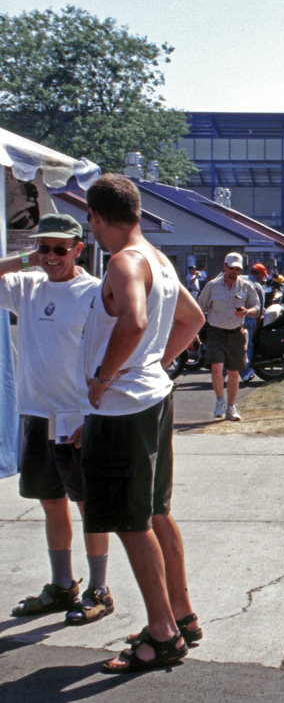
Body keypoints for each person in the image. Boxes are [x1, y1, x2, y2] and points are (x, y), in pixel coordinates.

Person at [78, 173, 206, 673]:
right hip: (151, 399)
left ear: (95, 217)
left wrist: (103, 378)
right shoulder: (159, 259)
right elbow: (192, 321)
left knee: (131, 522)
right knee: (155, 513)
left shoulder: (125, 262)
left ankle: (162, 634)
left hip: (122, 409)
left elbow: (131, 323)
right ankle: (182, 614)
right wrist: (155, 364)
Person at [4, 214, 114, 625]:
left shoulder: (92, 292)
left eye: (59, 249)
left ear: (78, 249)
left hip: (76, 415)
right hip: (35, 412)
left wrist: (95, 413)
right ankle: (62, 583)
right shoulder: (27, 286)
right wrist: (24, 259)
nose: (50, 257)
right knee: (50, 502)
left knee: (89, 505)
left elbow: (112, 352)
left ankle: (99, 588)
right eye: (43, 248)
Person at [196, 253, 260, 421]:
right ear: (224, 267)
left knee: (233, 371)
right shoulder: (212, 286)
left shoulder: (246, 286)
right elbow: (200, 307)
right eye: (231, 268)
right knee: (217, 368)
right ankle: (219, 402)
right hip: (215, 331)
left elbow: (256, 308)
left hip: (236, 332)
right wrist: (194, 331)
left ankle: (231, 407)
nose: (234, 272)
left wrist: (247, 312)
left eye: (237, 269)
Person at [240, 263, 270, 384]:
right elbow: (259, 308)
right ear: (260, 274)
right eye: (263, 275)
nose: (264, 278)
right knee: (248, 345)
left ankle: (223, 372)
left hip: (235, 317)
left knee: (233, 346)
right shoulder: (257, 286)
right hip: (249, 318)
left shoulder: (241, 280)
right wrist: (257, 324)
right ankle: (245, 372)